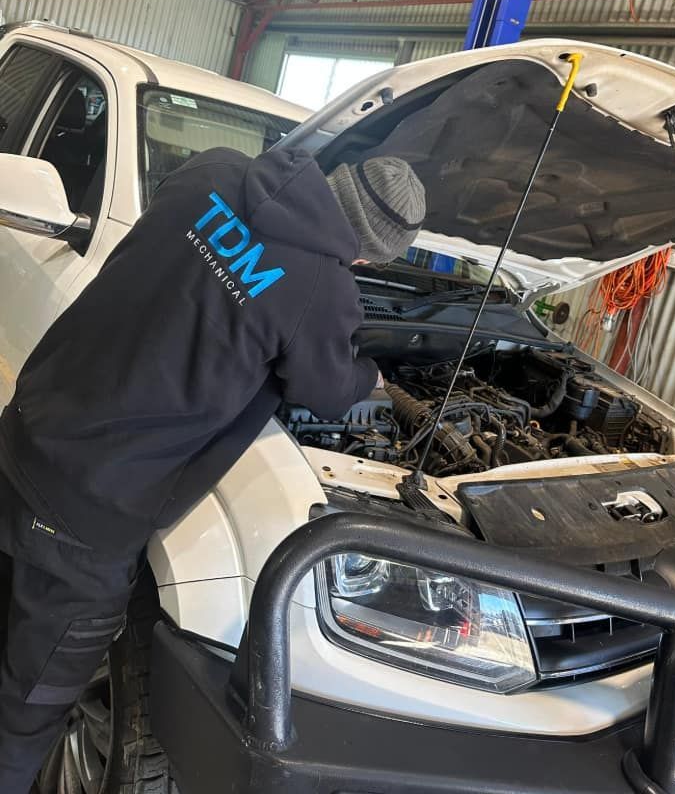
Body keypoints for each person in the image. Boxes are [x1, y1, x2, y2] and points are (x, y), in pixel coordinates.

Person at [0, 144, 426, 793]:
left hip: (29, 427)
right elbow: (326, 387)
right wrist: (374, 376)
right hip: (89, 512)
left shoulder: (215, 171)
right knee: (26, 711)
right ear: (368, 253)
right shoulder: (322, 290)